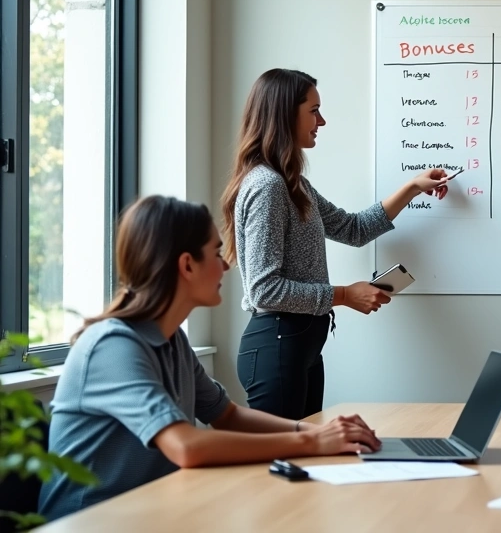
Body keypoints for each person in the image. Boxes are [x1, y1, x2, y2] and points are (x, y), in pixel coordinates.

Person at [38, 195, 382, 522]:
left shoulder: (171, 340)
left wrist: (320, 433)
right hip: (92, 523)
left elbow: (227, 415)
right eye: (216, 253)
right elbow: (186, 447)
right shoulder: (113, 346)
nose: (226, 266)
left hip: (150, 515)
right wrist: (311, 441)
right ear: (187, 265)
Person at [219, 68, 448, 419]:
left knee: (306, 461)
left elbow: (353, 228)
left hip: (300, 345)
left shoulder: (293, 185)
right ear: (284, 113)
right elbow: (264, 290)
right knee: (282, 465)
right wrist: (343, 295)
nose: (321, 121)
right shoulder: (268, 186)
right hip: (278, 344)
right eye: (313, 110)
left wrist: (413, 187)